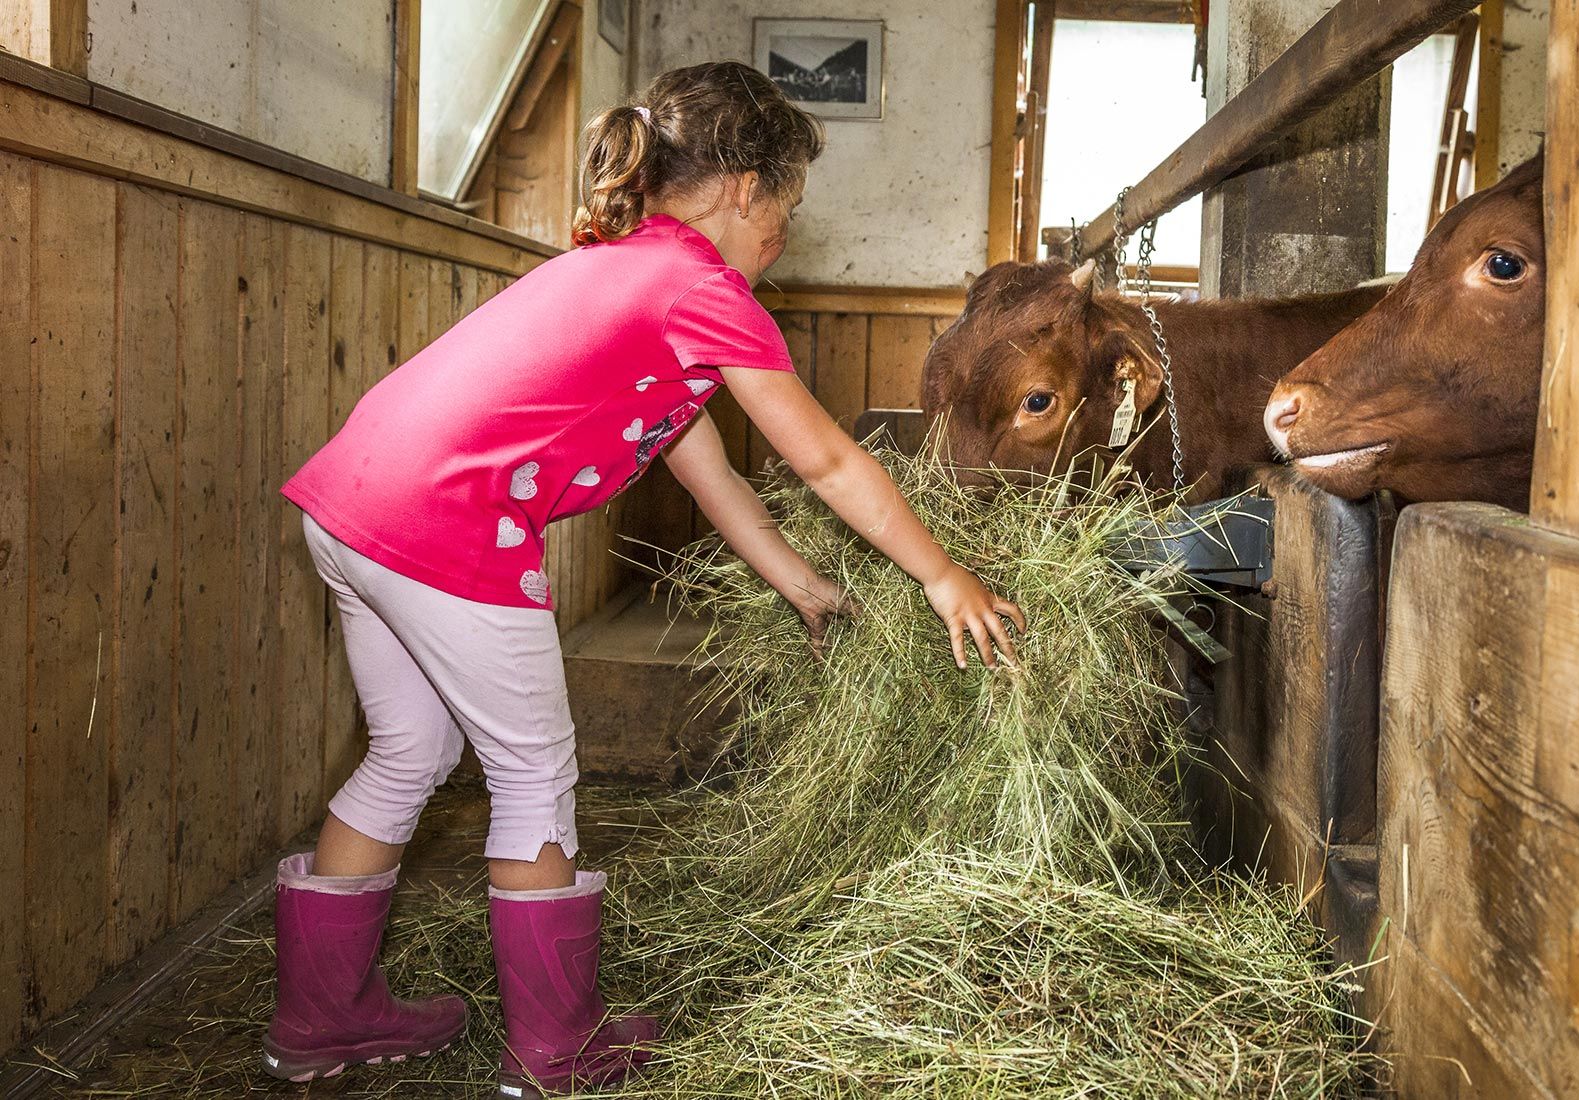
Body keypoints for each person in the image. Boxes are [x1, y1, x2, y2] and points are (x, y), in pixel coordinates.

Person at [265, 61, 1026, 1097]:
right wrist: (944, 576)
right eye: (786, 207)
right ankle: (556, 1048)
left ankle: (322, 1018)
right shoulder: (700, 291)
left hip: (352, 502)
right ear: (742, 188)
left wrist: (798, 581)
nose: (785, 236)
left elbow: (706, 469)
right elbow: (828, 460)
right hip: (447, 527)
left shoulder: (623, 269)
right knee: (533, 776)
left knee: (407, 750)